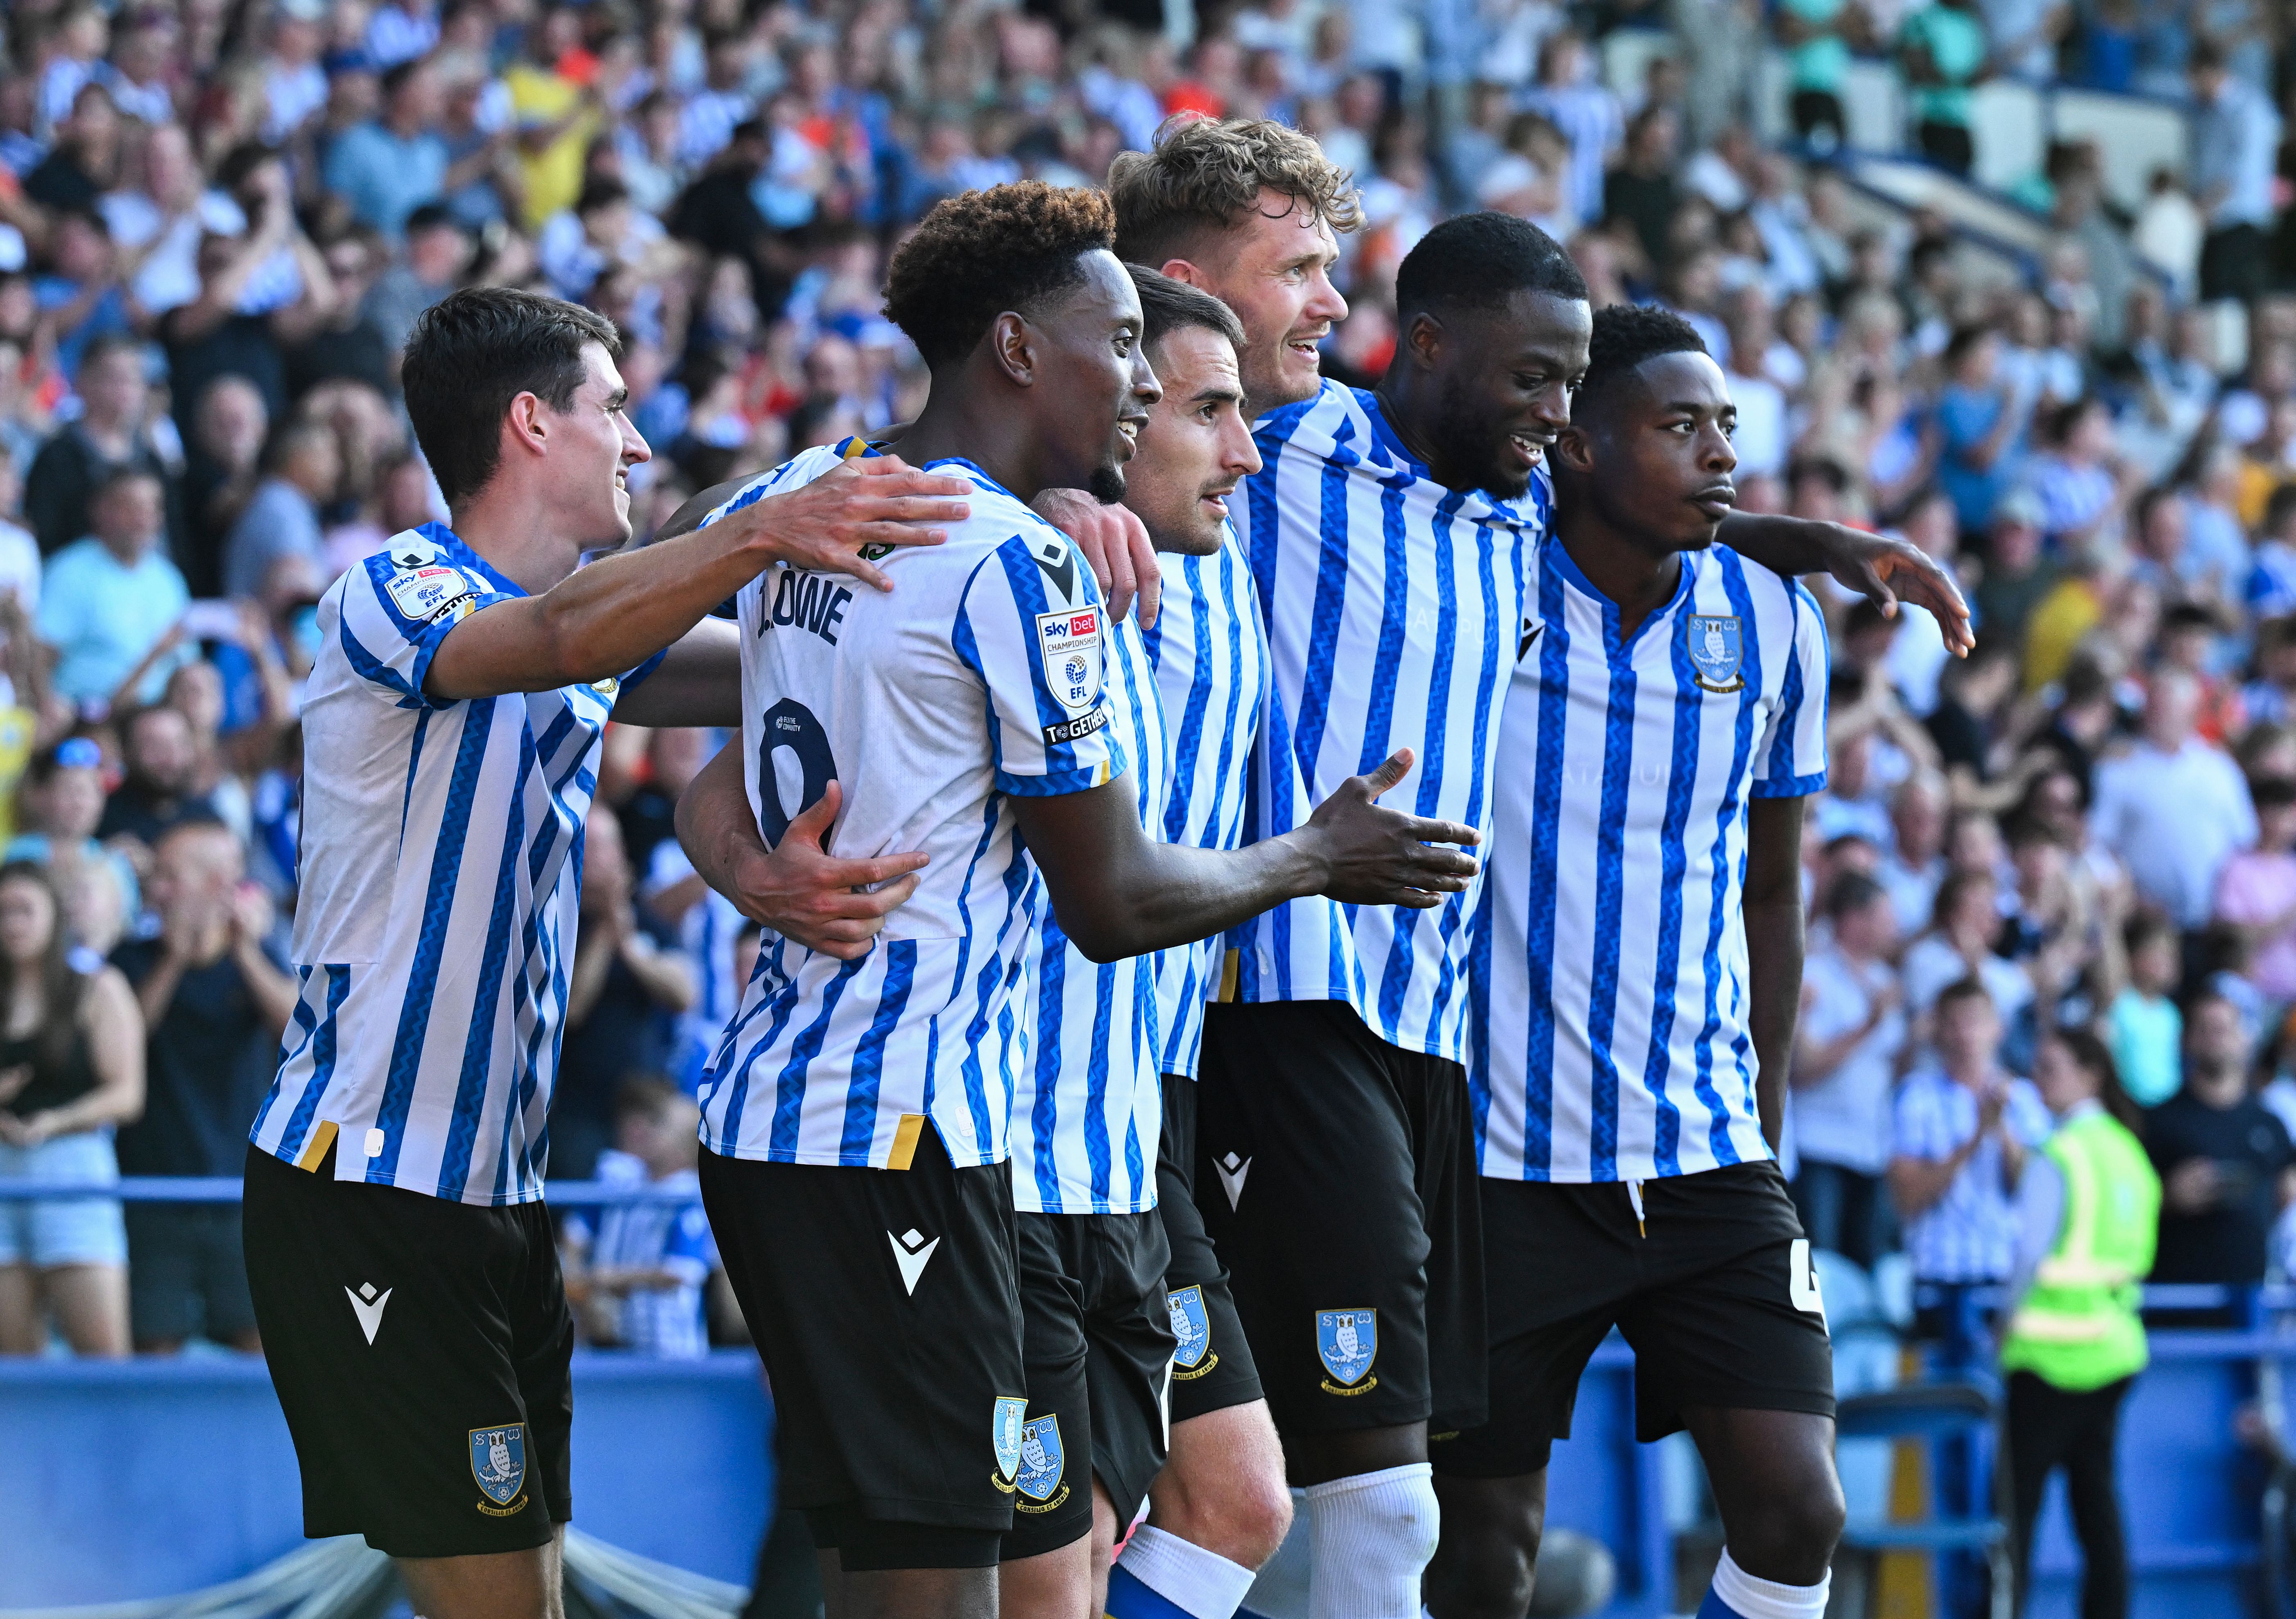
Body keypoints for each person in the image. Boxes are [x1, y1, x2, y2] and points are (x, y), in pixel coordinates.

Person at [1111, 121, 1963, 1619]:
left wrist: (1815, 538)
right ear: (1425, 347)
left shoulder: (1519, 512)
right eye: (1530, 382)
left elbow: (1651, 499)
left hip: (1435, 1047)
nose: (1552, 414)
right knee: (1380, 1511)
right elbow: (1134, 434)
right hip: (1287, 999)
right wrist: (1064, 495)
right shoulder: (1289, 448)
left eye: (1566, 391)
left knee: (1290, 1505)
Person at [670, 181, 1475, 1619]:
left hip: (1016, 1126)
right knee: (981, 1587)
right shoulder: (1022, 558)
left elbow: (639, 644)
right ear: (1032, 351)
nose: (1238, 440)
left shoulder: (841, 502)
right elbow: (1105, 893)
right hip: (950, 1133)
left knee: (1186, 1516)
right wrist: (1317, 858)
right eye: (1163, 375)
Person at [238, 283, 974, 1619]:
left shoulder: (590, 629)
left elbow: (780, 668)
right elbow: (564, 638)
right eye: (614, 408)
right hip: (372, 1191)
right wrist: (759, 529)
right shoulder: (398, 590)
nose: (638, 445)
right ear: (530, 423)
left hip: (495, 1199)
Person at [1431, 303, 1845, 1619]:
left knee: (1796, 1507)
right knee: (1480, 1550)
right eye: (1679, 428)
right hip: (1498, 1161)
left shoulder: (1774, 623)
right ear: (1576, 449)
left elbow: (1772, 888)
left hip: (1705, 1153)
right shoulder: (1479, 585)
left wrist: (1766, 1113)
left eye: (1723, 427)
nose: (1720, 455)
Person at [111, 822, 294, 1354]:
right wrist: (174, 958)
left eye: (170, 876)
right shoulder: (131, 959)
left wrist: (244, 953)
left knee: (262, 1351)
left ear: (216, 883)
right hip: (151, 1193)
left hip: (243, 1195)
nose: (156, 888)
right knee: (154, 1349)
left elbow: (298, 1035)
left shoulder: (258, 957)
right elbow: (126, 1038)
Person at [1999, 1027, 2158, 1619]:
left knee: (2015, 1512)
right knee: (2097, 1507)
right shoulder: (2128, 1152)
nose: (2040, 1081)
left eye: (2051, 1067)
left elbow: (2027, 1256)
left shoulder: (2059, 1152)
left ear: (2090, 1072)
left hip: (2046, 1357)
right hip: (2113, 1352)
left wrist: (2003, 1326)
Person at [0, 860, 144, 1357]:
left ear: (54, 916)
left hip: (74, 1165)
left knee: (103, 1355)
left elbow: (127, 1094)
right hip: (2, 1173)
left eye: (24, 910)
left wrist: (54, 1122)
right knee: (15, 1371)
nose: (12, 923)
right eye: (3, 912)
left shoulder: (98, 988)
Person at [1888, 979, 2053, 1312]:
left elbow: (2036, 1194)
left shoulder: (2024, 1099)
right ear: (1939, 1032)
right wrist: (1976, 1136)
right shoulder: (1916, 1097)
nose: (1965, 1034)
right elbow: (1907, 1199)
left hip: (2005, 1271)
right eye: (1954, 1023)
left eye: (1975, 1021)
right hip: (1936, 1273)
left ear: (1999, 1029)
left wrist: (2001, 1126)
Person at [1792, 871, 1908, 1269]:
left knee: (1867, 1268)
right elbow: (1801, 1070)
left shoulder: (1886, 981)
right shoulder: (1811, 976)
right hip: (1820, 1147)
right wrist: (1866, 1026)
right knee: (1819, 1266)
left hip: (1871, 1149)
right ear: (1853, 918)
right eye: (1884, 916)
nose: (1894, 927)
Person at [561, 1078, 718, 1359]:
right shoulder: (623, 1177)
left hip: (669, 1347)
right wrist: (581, 1288)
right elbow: (576, 1232)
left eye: (659, 1125)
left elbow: (681, 1271)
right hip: (612, 1336)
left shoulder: (689, 1195)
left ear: (684, 1145)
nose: (646, 1131)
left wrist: (606, 1280)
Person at [2146, 991, 2295, 1288]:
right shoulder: (2158, 1122)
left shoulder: (2268, 1123)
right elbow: (2126, 1201)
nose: (2216, 1038)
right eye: (2205, 1029)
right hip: (2177, 1300)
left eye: (2224, 1029)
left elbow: (2286, 1193)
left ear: (2244, 1039)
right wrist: (2167, 1198)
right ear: (2187, 1040)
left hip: (2250, 1300)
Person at [2090, 670, 2257, 932]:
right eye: (2154, 708)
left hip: (2213, 925)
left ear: (2192, 714)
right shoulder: (2118, 769)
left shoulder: (2220, 769)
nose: (2159, 717)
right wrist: (2129, 894)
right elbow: (2099, 842)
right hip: (2144, 924)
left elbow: (2244, 840)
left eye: (2169, 709)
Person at [35, 467, 191, 707]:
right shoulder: (70, 573)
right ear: (100, 510)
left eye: (152, 508)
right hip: (90, 719)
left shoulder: (169, 579)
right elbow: (40, 662)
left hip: (162, 717)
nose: (143, 519)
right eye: (131, 508)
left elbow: (187, 660)